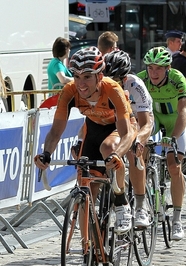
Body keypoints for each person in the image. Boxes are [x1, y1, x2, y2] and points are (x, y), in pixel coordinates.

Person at [35, 46, 136, 234]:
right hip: (94, 127)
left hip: (118, 127)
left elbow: (127, 134)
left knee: (109, 148)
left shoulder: (112, 89)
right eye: (77, 76)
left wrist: (116, 155)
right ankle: (87, 250)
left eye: (87, 76)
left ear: (99, 76)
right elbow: (56, 131)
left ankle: (122, 203)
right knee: (86, 188)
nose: (81, 83)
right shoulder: (69, 91)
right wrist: (46, 154)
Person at [137, 46, 186, 241]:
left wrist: (174, 137)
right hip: (155, 119)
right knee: (139, 152)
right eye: (150, 68)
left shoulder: (177, 78)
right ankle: (141, 206)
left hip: (175, 120)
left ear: (167, 68)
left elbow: (184, 110)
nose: (153, 72)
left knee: (174, 166)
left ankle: (177, 219)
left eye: (158, 68)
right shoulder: (141, 79)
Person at [103, 49, 154, 227]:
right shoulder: (102, 85)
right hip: (117, 119)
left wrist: (139, 140)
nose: (111, 83)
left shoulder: (135, 85)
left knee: (134, 151)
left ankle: (141, 206)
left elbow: (145, 123)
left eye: (116, 80)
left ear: (125, 78)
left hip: (139, 119)